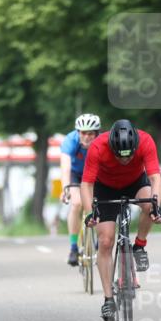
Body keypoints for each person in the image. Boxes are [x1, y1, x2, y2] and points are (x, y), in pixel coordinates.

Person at [81, 120, 161, 321]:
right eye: (120, 156)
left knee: (149, 205)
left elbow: (155, 178)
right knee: (106, 240)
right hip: (105, 187)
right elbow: (86, 185)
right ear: (112, 148)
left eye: (129, 156)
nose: (124, 160)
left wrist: (156, 207)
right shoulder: (97, 147)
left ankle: (139, 246)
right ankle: (108, 300)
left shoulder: (146, 141)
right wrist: (90, 213)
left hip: (135, 182)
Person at [60, 113, 101, 265]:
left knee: (99, 204)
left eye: (91, 134)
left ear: (97, 133)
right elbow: (65, 168)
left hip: (95, 175)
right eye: (83, 133)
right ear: (78, 132)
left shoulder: (103, 142)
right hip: (76, 175)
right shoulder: (70, 141)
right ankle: (73, 247)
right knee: (77, 203)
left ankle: (100, 239)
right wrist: (65, 189)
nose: (87, 137)